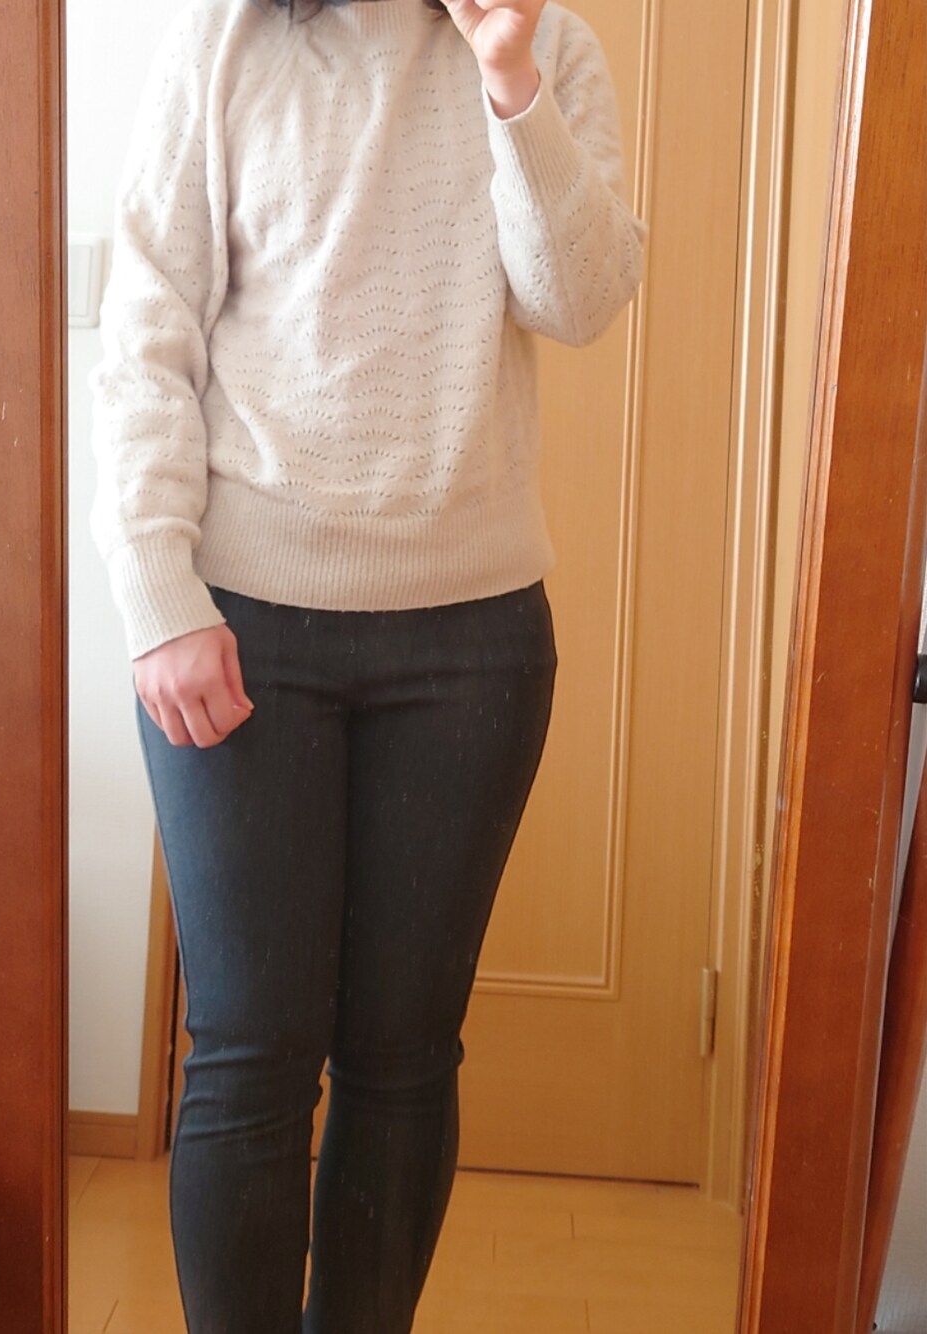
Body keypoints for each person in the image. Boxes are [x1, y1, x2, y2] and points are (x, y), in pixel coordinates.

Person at [89, 0, 645, 1325]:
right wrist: (157, 593)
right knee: (249, 1055)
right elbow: (146, 332)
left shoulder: (552, 49)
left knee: (403, 1054)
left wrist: (509, 81)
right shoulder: (224, 41)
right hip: (239, 623)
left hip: (472, 642)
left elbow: (578, 298)